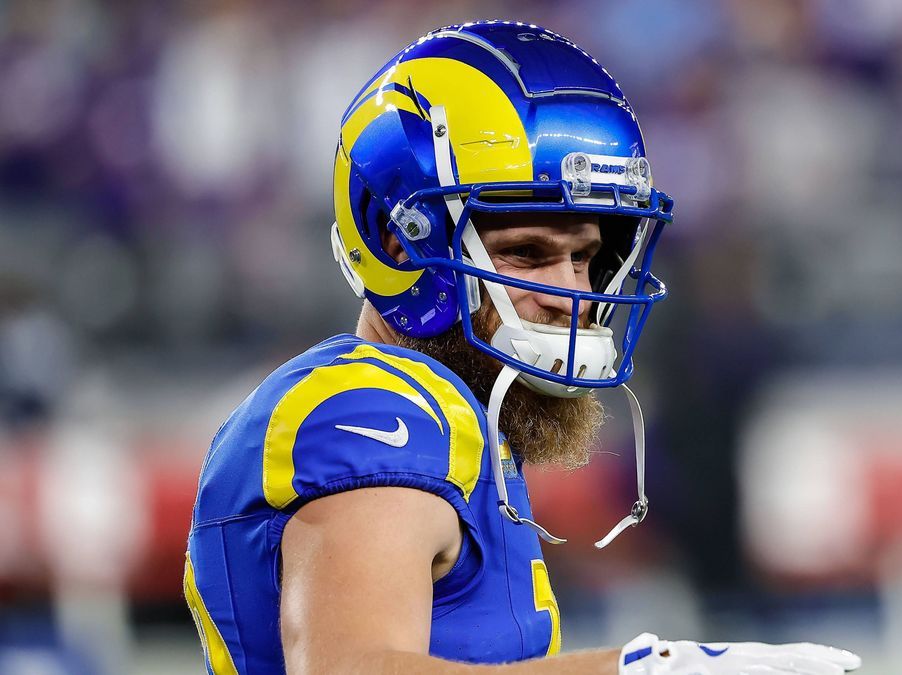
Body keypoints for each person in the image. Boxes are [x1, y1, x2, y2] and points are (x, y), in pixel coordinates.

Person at [184, 21, 862, 675]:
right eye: (528, 254)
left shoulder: (455, 416)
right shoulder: (372, 410)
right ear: (400, 246)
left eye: (585, 258)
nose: (572, 295)